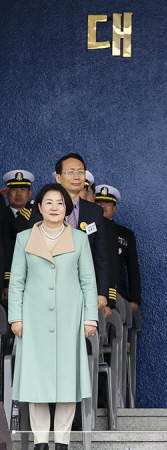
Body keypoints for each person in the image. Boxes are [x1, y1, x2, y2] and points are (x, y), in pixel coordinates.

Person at [8, 183, 99, 450]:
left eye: (60, 203)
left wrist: (89, 318)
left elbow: (88, 281)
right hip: (33, 320)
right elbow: (17, 282)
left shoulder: (79, 239)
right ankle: (40, 442)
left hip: (70, 320)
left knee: (66, 381)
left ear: (67, 208)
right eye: (48, 202)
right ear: (38, 207)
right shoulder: (24, 239)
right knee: (37, 382)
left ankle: (61, 441)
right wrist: (16, 317)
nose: (55, 207)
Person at [16, 154, 111, 314]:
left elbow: (101, 255)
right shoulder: (40, 208)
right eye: (71, 171)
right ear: (58, 178)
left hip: (81, 290)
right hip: (45, 288)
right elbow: (32, 250)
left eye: (81, 172)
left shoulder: (94, 212)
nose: (77, 176)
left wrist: (101, 292)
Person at [95, 184, 141, 312]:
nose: (102, 206)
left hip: (118, 294)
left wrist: (134, 299)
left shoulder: (125, 234)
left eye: (107, 203)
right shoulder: (87, 229)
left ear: (115, 208)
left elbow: (132, 268)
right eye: (98, 202)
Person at [2, 170, 35, 304]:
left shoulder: (38, 217)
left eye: (23, 189)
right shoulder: (2, 215)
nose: (18, 193)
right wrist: (7, 282)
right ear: (7, 192)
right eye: (14, 189)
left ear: (30, 194)